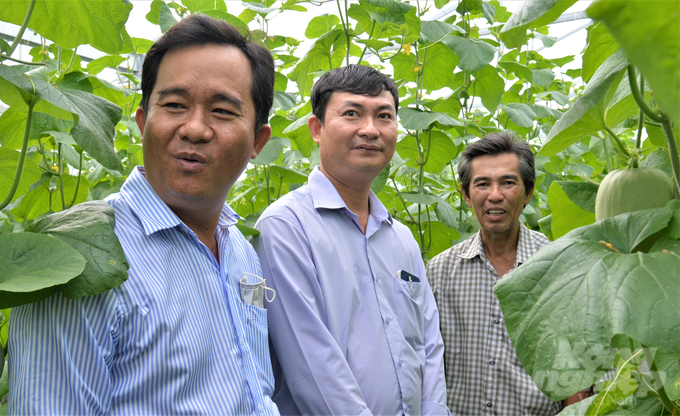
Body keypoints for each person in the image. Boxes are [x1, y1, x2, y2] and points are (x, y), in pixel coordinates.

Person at [9, 15, 279, 415]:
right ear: (143, 122)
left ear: (257, 140)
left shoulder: (241, 251)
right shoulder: (81, 257)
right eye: (174, 105)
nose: (195, 128)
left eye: (222, 111)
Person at [253, 65, 450, 416]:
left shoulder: (401, 237)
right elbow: (311, 363)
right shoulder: (286, 227)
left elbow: (427, 343)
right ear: (317, 129)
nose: (370, 129)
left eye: (384, 116)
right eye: (351, 113)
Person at [427, 132, 575, 415]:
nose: (495, 196)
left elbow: (578, 365)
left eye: (508, 183)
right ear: (466, 195)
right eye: (482, 184)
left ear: (529, 192)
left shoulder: (560, 266)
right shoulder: (440, 272)